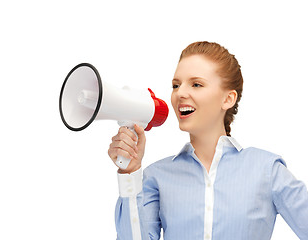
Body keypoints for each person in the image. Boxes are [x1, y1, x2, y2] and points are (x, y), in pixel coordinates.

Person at [107, 41, 308, 240]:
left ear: (228, 99)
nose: (180, 93)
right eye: (176, 85)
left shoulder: (267, 170)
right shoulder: (156, 176)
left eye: (196, 84)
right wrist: (129, 172)